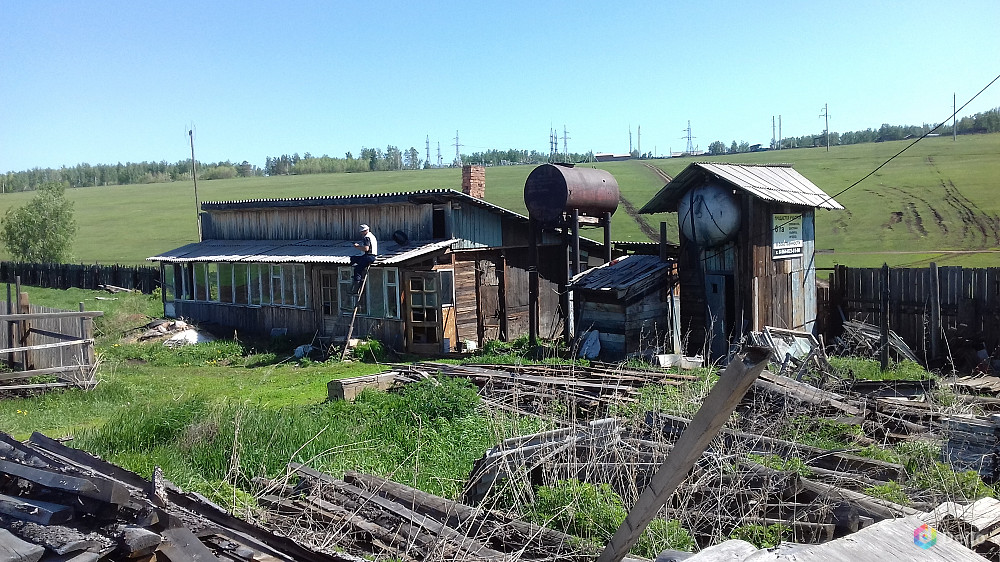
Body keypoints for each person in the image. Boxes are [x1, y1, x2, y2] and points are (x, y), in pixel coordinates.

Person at [349, 224, 377, 294]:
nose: (361, 233)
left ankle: (356, 287)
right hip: (371, 256)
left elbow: (366, 248)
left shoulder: (366, 237)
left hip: (368, 256)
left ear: (364, 231)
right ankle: (358, 274)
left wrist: (357, 247)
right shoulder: (372, 236)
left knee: (357, 269)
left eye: (362, 232)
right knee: (354, 259)